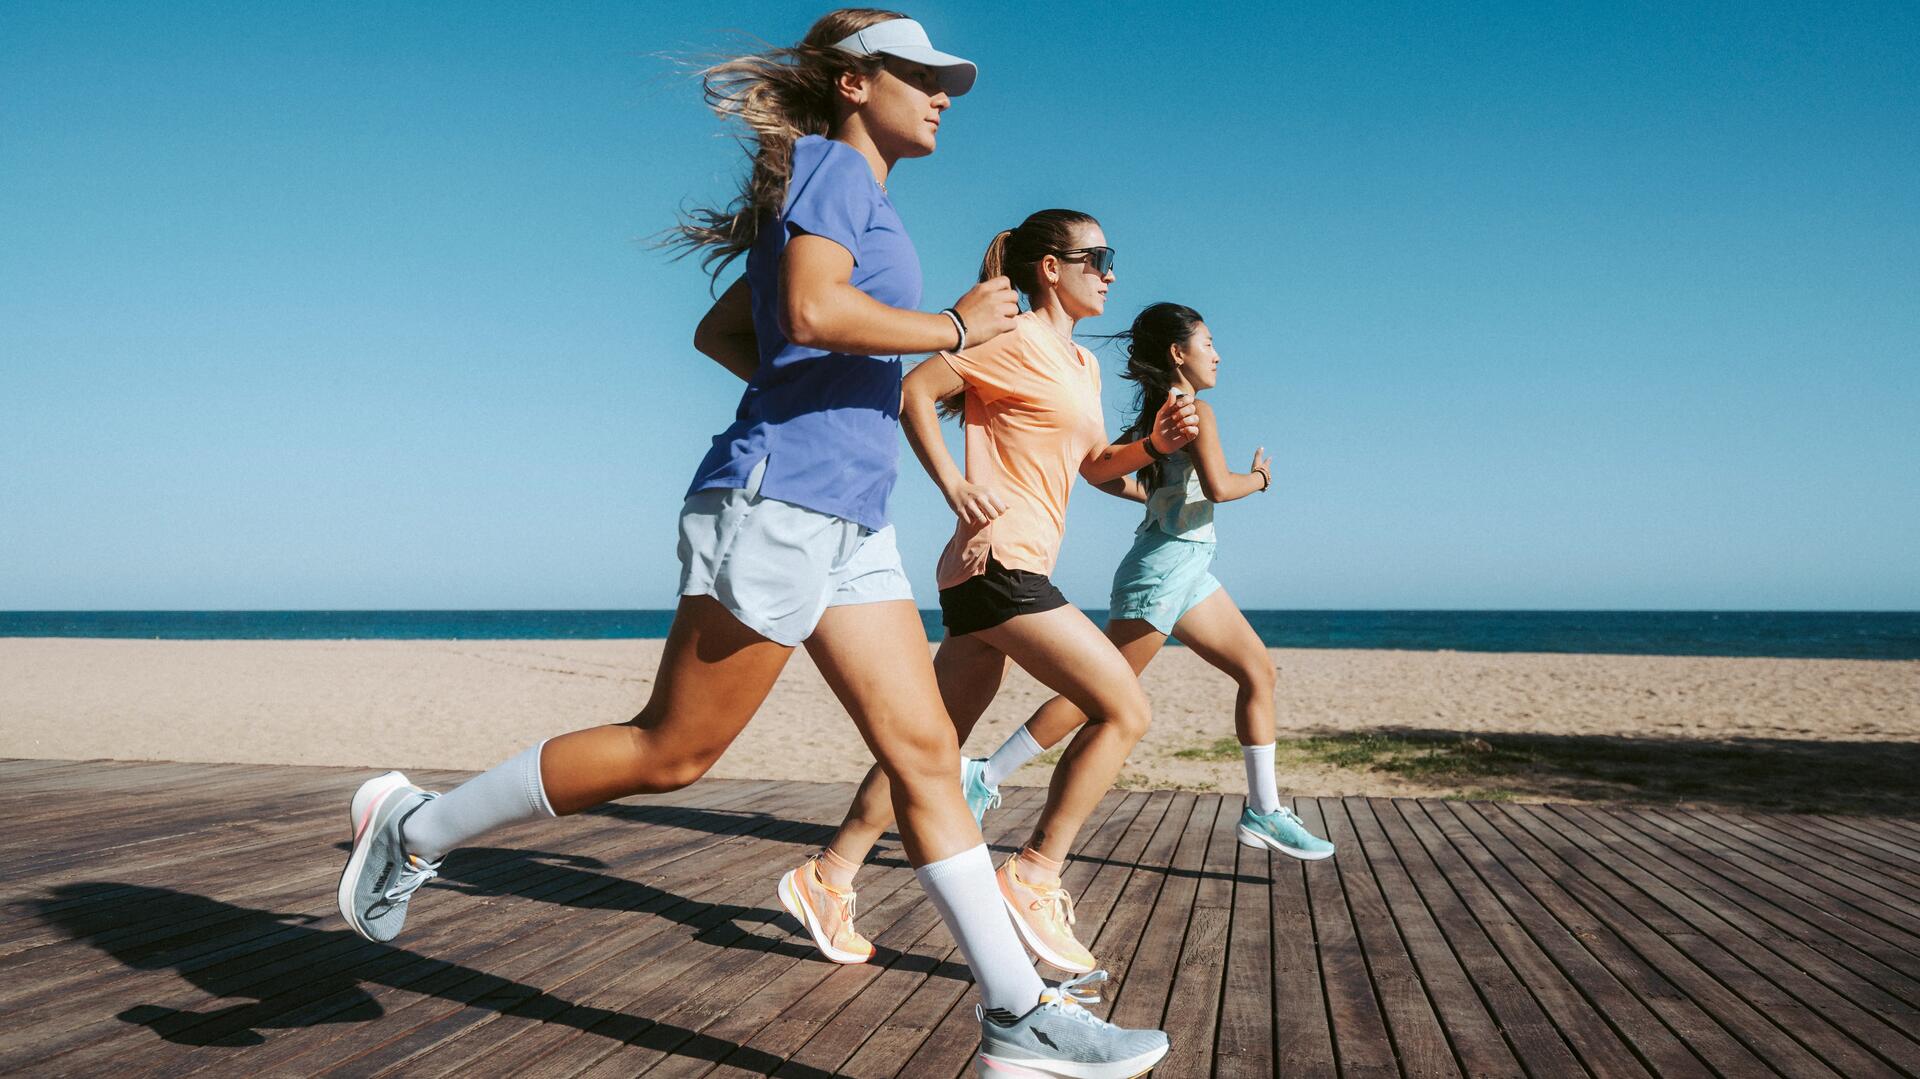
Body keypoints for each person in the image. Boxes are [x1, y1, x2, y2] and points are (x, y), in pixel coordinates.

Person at [334, 13, 1168, 1077]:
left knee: (925, 758)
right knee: (673, 749)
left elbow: (734, 331)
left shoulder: (851, 193)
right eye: (920, 76)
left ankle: (1019, 1015)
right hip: (782, 502)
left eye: (947, 82)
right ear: (855, 83)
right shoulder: (831, 169)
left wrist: (818, 394)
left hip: (850, 513)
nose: (941, 94)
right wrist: (954, 329)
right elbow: (813, 311)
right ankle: (413, 827)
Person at [778, 210, 1201, 978]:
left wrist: (1153, 447)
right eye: (1097, 257)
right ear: (1051, 268)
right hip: (1000, 562)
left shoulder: (1081, 363)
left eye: (1111, 258)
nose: (1110, 272)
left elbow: (1093, 464)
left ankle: (829, 875)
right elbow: (916, 389)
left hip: (997, 570)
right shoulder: (1008, 336)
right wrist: (954, 483)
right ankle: (1036, 872)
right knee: (1124, 707)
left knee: (929, 746)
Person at [968, 303, 1336, 859]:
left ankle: (1264, 810)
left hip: (1188, 568)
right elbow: (1218, 487)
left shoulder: (1158, 419)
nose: (1217, 355)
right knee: (1098, 693)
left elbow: (1102, 474)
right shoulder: (1195, 411)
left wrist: (1158, 497)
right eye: (1208, 343)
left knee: (1258, 671)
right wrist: (1260, 479)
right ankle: (986, 775)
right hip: (1163, 571)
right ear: (1178, 353)